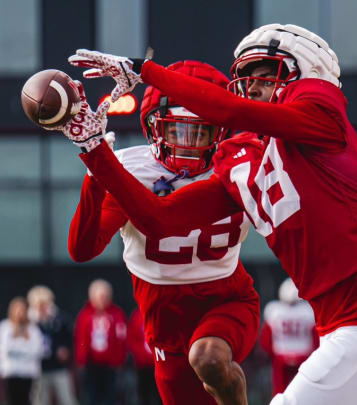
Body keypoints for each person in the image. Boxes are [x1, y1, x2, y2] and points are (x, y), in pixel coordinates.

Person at [65, 22, 357, 405]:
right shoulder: (246, 159)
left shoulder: (322, 110)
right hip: (341, 326)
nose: (252, 87)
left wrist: (144, 70)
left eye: (264, 75)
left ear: (303, 68)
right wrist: (93, 148)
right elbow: (159, 219)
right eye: (246, 79)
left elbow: (229, 108)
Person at [66, 60, 259, 405]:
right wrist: (95, 179)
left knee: (210, 357)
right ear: (155, 127)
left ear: (220, 132)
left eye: (200, 131)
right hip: (165, 325)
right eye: (176, 131)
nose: (187, 144)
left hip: (227, 300)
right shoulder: (134, 170)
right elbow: (83, 249)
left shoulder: (235, 166)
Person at [260, 278, 318, 396]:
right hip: (304, 357)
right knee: (305, 392)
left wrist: (273, 354)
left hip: (281, 357)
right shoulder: (308, 311)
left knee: (280, 393)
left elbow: (265, 340)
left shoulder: (274, 310)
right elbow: (316, 340)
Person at [73, 279, 127, 405]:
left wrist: (120, 360)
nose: (102, 300)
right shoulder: (85, 314)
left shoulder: (116, 313)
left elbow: (122, 338)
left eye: (105, 296)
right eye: (99, 297)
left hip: (111, 364)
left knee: (111, 396)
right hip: (91, 364)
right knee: (92, 396)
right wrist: (81, 359)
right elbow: (80, 338)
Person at [27, 286, 78, 405]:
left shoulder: (59, 319)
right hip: (38, 368)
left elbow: (71, 337)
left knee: (67, 399)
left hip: (58, 367)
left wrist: (66, 349)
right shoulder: (30, 322)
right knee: (40, 400)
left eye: (44, 304)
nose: (42, 308)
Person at [0, 297, 44, 405]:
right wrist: (24, 347)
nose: (20, 313)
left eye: (22, 309)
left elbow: (37, 350)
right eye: (17, 309)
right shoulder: (5, 327)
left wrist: (18, 348)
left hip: (28, 373)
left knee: (27, 400)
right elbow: (6, 349)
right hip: (11, 372)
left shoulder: (32, 329)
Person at [127, 307, 161, 405]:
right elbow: (132, 339)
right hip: (143, 366)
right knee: (144, 395)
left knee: (160, 396)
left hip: (160, 364)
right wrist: (139, 356)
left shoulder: (161, 313)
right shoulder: (137, 316)